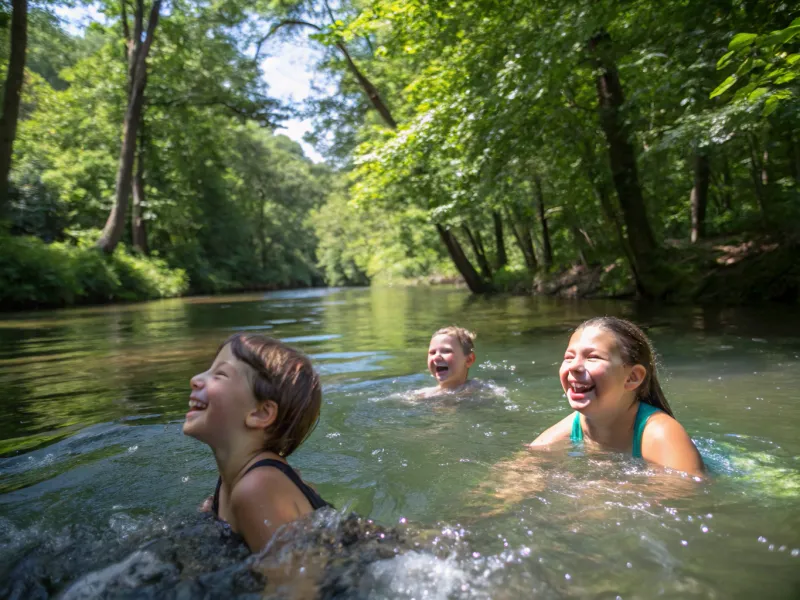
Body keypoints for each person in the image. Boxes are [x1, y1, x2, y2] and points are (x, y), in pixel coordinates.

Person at [184, 333, 330, 552]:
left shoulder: (255, 488)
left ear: (261, 413)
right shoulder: (231, 484)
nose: (195, 379)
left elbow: (298, 584)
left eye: (219, 374)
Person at [528, 316, 704, 476]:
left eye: (593, 357)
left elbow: (686, 495)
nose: (574, 366)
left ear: (632, 378)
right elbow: (520, 475)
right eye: (569, 357)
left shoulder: (661, 434)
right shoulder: (567, 431)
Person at [419, 325, 478, 397]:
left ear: (469, 360)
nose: (436, 357)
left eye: (446, 351)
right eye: (432, 352)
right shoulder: (424, 394)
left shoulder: (479, 389)